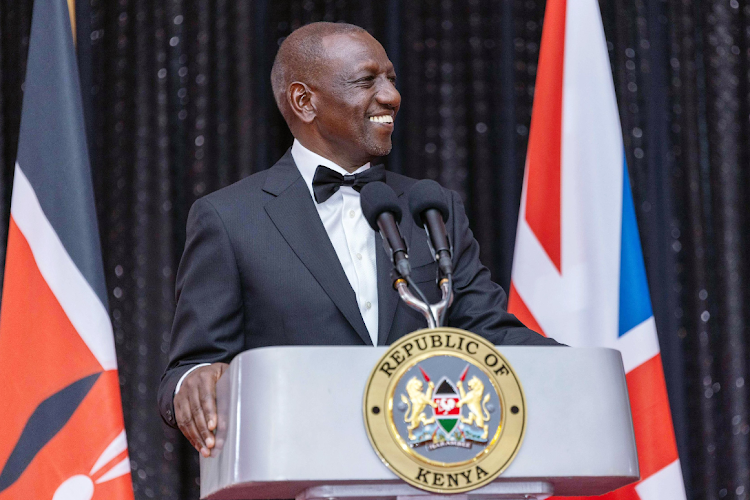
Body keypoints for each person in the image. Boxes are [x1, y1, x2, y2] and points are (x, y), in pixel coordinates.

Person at [158, 21, 559, 458]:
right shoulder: (230, 218)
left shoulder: (431, 207)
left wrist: (576, 366)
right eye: (367, 81)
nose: (391, 96)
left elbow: (486, 330)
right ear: (304, 101)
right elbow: (190, 367)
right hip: (299, 468)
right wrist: (193, 380)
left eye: (390, 79)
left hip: (427, 469)